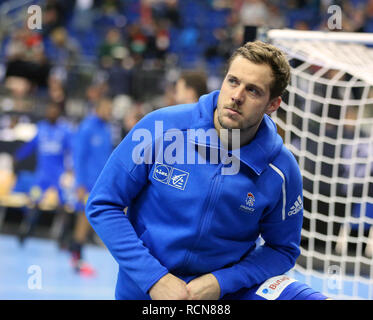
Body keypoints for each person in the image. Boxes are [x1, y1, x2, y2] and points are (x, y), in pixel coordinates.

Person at [86, 41, 328, 300]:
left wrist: (221, 282)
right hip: (149, 292)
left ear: (273, 104)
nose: (237, 96)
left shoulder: (281, 169)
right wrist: (154, 278)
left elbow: (282, 249)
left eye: (253, 91)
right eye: (233, 81)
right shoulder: (160, 128)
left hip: (227, 292)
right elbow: (103, 204)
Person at [14, 101, 72, 244]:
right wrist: (18, 156)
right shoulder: (41, 128)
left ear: (58, 113)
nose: (51, 112)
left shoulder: (65, 131)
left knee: (63, 205)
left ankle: (63, 236)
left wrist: (72, 169)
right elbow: (31, 145)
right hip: (42, 176)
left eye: (54, 110)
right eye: (49, 109)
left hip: (58, 176)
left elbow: (72, 150)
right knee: (33, 201)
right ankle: (26, 230)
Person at [69, 98, 114, 275]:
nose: (109, 112)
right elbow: (78, 157)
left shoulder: (107, 129)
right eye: (107, 108)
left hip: (102, 183)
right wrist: (79, 183)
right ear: (98, 107)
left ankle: (76, 254)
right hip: (87, 184)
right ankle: (76, 257)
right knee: (83, 219)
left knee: (87, 220)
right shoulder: (87, 127)